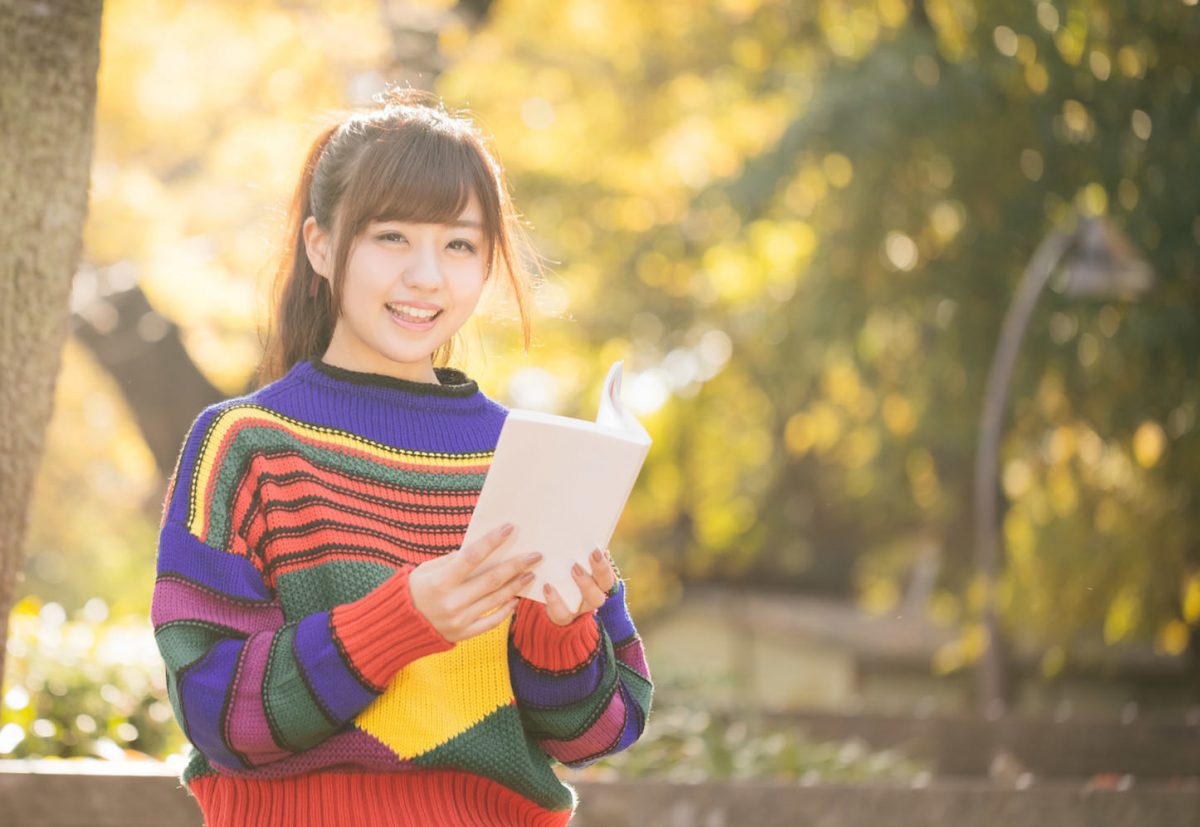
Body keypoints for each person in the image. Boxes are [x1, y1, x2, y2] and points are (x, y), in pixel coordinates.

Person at [150, 88, 653, 827]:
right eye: (392, 237)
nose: (427, 276)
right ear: (321, 245)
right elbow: (214, 709)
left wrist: (561, 628)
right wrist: (404, 618)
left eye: (459, 245)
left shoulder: (528, 458)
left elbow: (597, 732)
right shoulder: (246, 445)